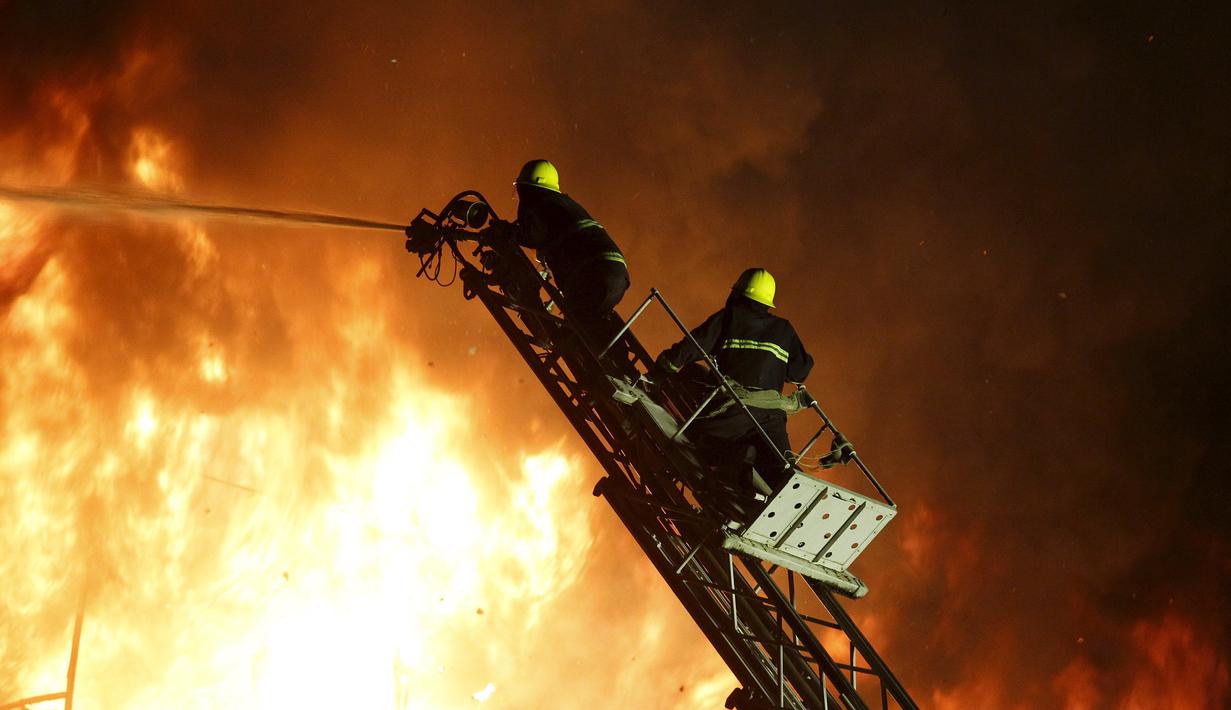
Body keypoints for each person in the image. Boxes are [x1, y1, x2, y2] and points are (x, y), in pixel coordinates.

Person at [654, 268, 814, 494]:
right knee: (781, 467)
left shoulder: (729, 317)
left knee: (696, 440)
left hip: (732, 412)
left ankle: (738, 455)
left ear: (738, 294)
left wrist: (660, 371)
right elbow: (800, 371)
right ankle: (807, 500)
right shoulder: (784, 329)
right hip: (771, 418)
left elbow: (691, 347)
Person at [512, 159, 629, 347]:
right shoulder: (565, 205)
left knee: (567, 341)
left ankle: (564, 347)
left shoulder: (541, 204)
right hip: (616, 276)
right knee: (592, 331)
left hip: (591, 274)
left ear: (528, 189)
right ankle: (620, 365)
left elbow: (531, 235)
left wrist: (505, 232)